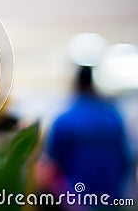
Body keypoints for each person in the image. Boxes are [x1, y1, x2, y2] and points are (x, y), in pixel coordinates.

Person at [43, 66, 133, 209]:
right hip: (111, 199)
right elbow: (127, 161)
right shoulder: (113, 116)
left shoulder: (65, 120)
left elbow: (52, 169)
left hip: (78, 202)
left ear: (75, 84)